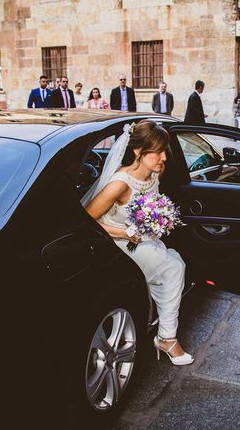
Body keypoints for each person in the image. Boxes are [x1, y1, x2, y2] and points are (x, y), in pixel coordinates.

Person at [82, 120, 193, 365]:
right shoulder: (120, 184)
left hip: (144, 240)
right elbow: (86, 221)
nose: (163, 157)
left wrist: (159, 220)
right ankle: (166, 338)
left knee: (173, 263)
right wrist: (122, 234)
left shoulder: (155, 174)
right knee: (175, 268)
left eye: (165, 150)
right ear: (137, 151)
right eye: (157, 151)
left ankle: (161, 328)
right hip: (119, 243)